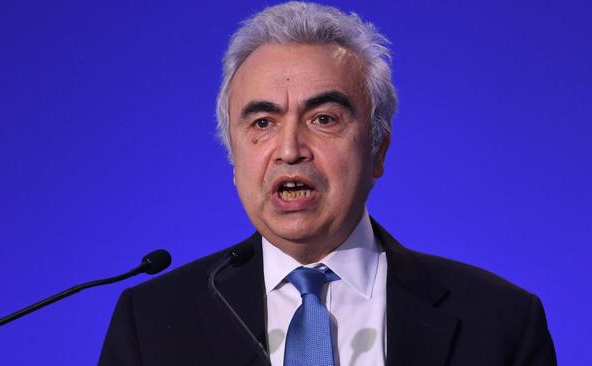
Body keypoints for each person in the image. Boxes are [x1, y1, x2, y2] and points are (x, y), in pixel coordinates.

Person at [98, 2, 556, 365]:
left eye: (324, 119)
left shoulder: (500, 322)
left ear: (378, 149)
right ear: (234, 157)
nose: (290, 148)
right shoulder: (152, 323)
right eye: (262, 122)